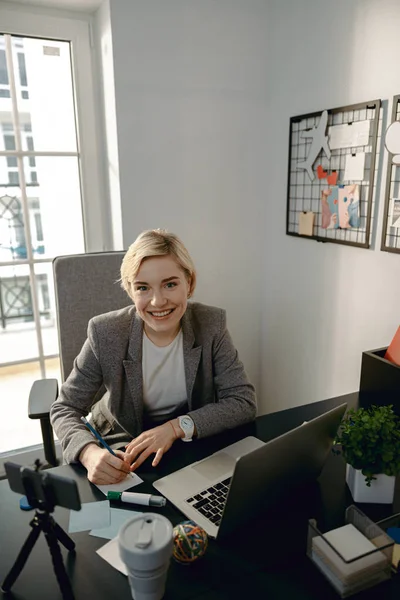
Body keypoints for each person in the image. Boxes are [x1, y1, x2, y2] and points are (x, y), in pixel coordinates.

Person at [50, 229, 256, 484]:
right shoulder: (105, 332)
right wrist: (89, 453)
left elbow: (242, 401)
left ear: (189, 283)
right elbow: (65, 407)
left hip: (185, 444)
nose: (158, 301)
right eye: (143, 288)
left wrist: (175, 427)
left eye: (170, 284)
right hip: (118, 445)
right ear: (129, 290)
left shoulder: (211, 324)